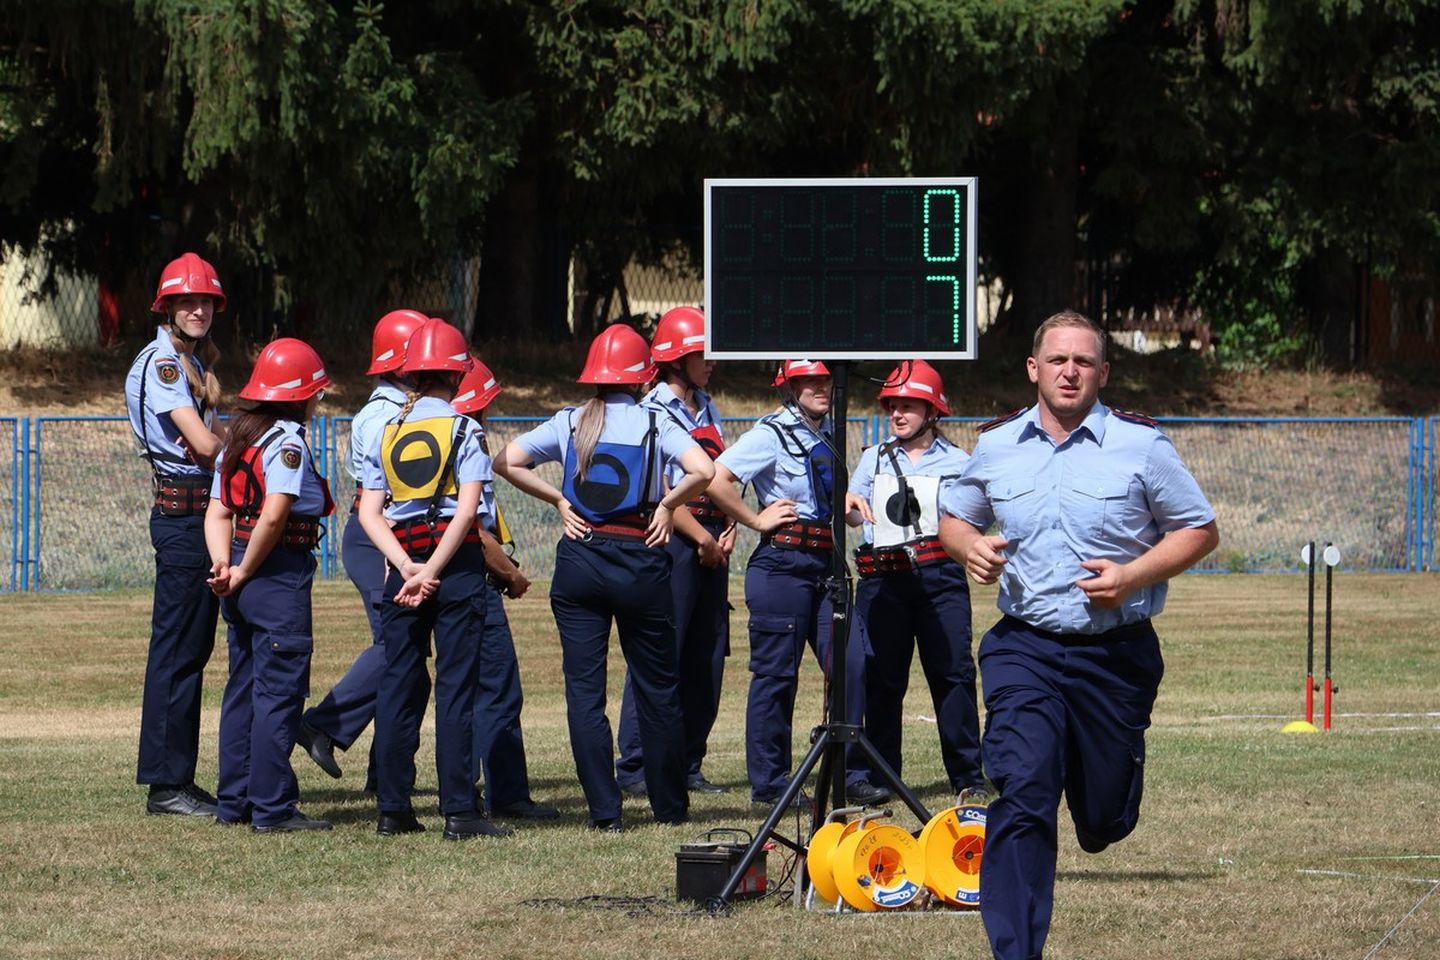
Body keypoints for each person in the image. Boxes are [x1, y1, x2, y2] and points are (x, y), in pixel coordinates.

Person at [938, 311, 1219, 960]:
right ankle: (1015, 951)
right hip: (1025, 648)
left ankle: (1111, 797)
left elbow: (1199, 530)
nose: (1070, 371)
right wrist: (970, 547)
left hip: (1115, 655)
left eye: (1084, 362)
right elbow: (955, 518)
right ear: (1034, 369)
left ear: (1103, 373)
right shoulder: (997, 444)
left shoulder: (1142, 446)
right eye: (1058, 360)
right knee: (1024, 789)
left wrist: (1132, 575)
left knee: (1102, 819)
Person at [493, 323, 714, 831]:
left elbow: (506, 460)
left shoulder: (571, 421)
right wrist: (668, 505)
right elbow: (702, 469)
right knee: (659, 689)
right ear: (644, 376)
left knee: (584, 693)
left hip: (580, 562)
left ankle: (605, 812)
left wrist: (558, 499)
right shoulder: (656, 422)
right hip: (640, 559)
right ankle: (669, 808)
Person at [357, 317, 508, 840]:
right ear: (458, 374)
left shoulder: (388, 428)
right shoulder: (465, 428)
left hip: (402, 563)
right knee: (456, 687)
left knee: (398, 685)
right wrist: (434, 572)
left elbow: (369, 514)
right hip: (456, 565)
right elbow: (467, 513)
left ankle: (393, 809)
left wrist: (406, 568)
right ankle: (460, 811)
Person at [703, 360, 867, 807]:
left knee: (851, 665)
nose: (820, 387)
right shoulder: (770, 434)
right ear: (790, 386)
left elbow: (818, 494)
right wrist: (755, 519)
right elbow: (715, 478)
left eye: (825, 378)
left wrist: (845, 500)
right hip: (782, 566)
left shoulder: (826, 432)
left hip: (825, 565)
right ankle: (771, 784)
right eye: (808, 380)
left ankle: (849, 774)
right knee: (777, 677)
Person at [204, 338, 335, 832]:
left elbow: (218, 512)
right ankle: (272, 807)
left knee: (242, 688)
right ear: (299, 395)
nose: (318, 401)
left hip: (239, 565)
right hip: (274, 570)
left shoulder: (238, 439)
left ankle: (233, 802)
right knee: (277, 692)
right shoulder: (287, 441)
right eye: (316, 393)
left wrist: (225, 565)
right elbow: (276, 516)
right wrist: (245, 569)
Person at [842, 359, 984, 807]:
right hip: (883, 581)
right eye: (892, 406)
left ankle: (968, 776)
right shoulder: (872, 458)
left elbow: (973, 518)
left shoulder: (962, 462)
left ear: (933, 409)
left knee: (953, 676)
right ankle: (884, 776)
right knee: (883, 681)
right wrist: (848, 504)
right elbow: (851, 512)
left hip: (940, 578)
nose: (898, 414)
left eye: (909, 405)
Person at [297, 308, 427, 788]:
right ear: (401, 363)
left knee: (406, 655)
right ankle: (323, 724)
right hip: (377, 538)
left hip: (389, 535)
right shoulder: (385, 415)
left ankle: (385, 773)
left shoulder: (406, 407)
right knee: (397, 647)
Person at [615, 306, 735, 798]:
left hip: (713, 542)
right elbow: (662, 489)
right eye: (701, 354)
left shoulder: (708, 407)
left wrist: (729, 526)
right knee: (661, 651)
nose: (711, 362)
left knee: (707, 655)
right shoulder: (653, 412)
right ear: (676, 359)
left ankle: (689, 762)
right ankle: (637, 765)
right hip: (672, 543)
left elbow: (721, 475)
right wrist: (702, 538)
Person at [125, 251, 227, 817]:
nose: (197, 309)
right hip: (183, 516)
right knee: (178, 652)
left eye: (205, 300)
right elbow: (208, 446)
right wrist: (255, 447)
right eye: (186, 301)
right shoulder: (164, 365)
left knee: (190, 648)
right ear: (167, 306)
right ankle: (167, 786)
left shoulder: (192, 362)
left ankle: (175, 780)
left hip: (195, 515)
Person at [450, 359, 559, 820]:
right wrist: (510, 574)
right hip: (476, 577)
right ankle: (507, 795)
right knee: (498, 689)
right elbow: (475, 527)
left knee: (457, 690)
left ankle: (453, 793)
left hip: (448, 574)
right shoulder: (468, 440)